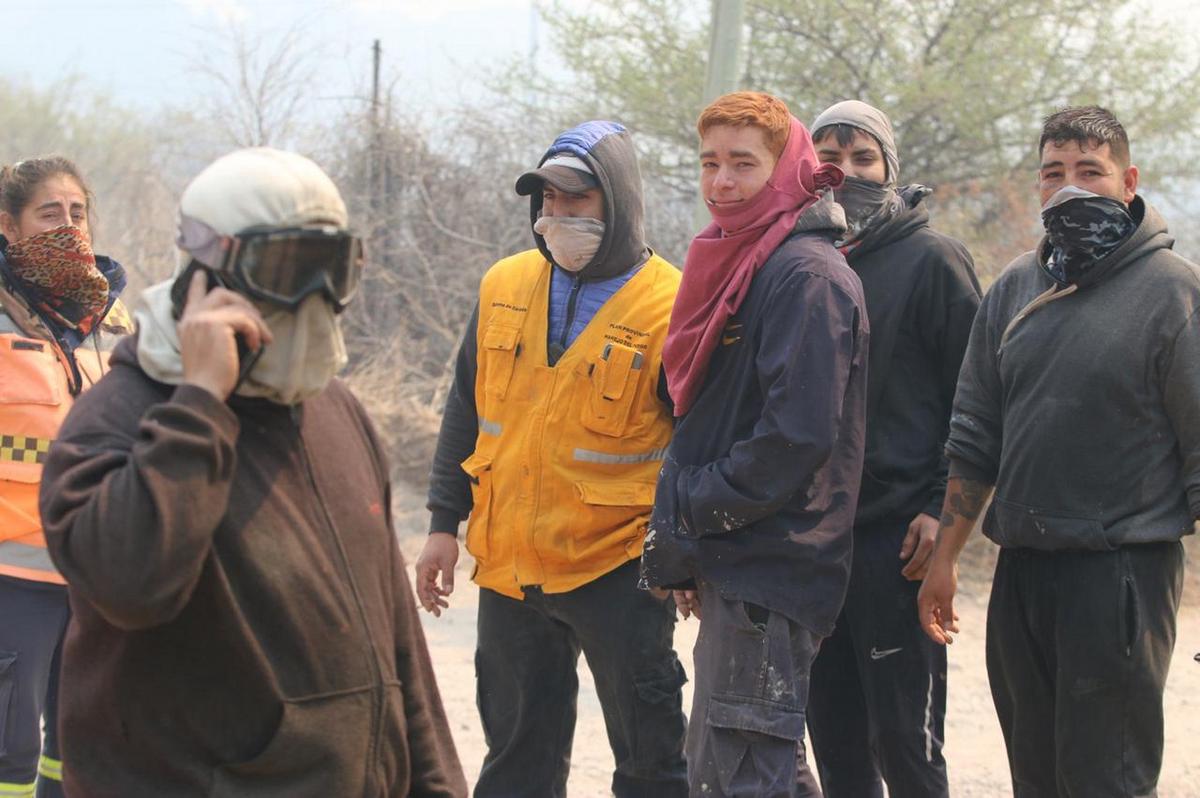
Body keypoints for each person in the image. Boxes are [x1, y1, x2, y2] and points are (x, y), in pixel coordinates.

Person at [37, 147, 466, 797]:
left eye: (333, 269)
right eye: (289, 270)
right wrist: (201, 403)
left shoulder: (336, 411)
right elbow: (131, 583)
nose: (315, 297)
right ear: (207, 276)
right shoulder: (119, 418)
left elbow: (399, 653)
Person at [919, 106, 1196, 796]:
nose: (1069, 187)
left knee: (1107, 779)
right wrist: (945, 559)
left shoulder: (1173, 291)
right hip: (1022, 572)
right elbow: (976, 431)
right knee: (1035, 778)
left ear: (1128, 181)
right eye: (1053, 173)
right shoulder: (1017, 284)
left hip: (1121, 573)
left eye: (1089, 173)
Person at [416, 121, 689, 797]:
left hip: (619, 567)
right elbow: (465, 411)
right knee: (516, 759)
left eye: (577, 200)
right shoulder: (504, 283)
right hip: (510, 567)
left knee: (651, 761)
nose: (558, 216)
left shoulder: (673, 305)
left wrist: (685, 554)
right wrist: (441, 526)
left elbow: (696, 443)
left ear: (618, 202)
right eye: (548, 202)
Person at [640, 91, 869, 797]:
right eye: (710, 162)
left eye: (744, 163)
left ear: (787, 169)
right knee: (762, 769)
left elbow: (793, 439)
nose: (722, 182)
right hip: (741, 560)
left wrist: (692, 508)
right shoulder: (747, 263)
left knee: (739, 776)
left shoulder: (806, 276)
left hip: (771, 563)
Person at [804, 100, 981, 798]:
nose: (843, 173)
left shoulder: (932, 260)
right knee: (836, 745)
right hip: (814, 545)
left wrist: (944, 510)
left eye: (862, 157)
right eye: (828, 159)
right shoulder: (799, 260)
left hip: (898, 542)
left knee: (906, 745)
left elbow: (975, 398)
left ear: (889, 167)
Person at [0, 157, 132, 798]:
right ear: (9, 226)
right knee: (10, 751)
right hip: (11, 578)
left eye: (77, 213)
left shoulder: (113, 321)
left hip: (94, 571)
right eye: (49, 214)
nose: (69, 227)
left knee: (79, 746)